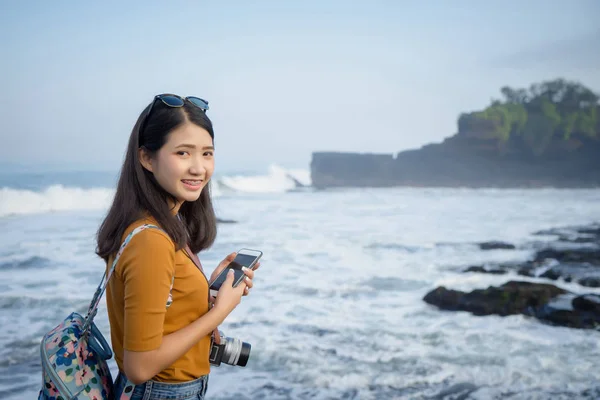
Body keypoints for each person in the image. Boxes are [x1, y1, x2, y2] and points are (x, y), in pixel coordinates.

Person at [95, 94, 257, 399]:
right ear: (146, 158)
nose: (199, 168)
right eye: (183, 153)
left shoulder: (160, 226)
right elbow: (140, 366)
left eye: (207, 154)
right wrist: (219, 312)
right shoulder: (151, 240)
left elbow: (162, 315)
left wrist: (204, 292)